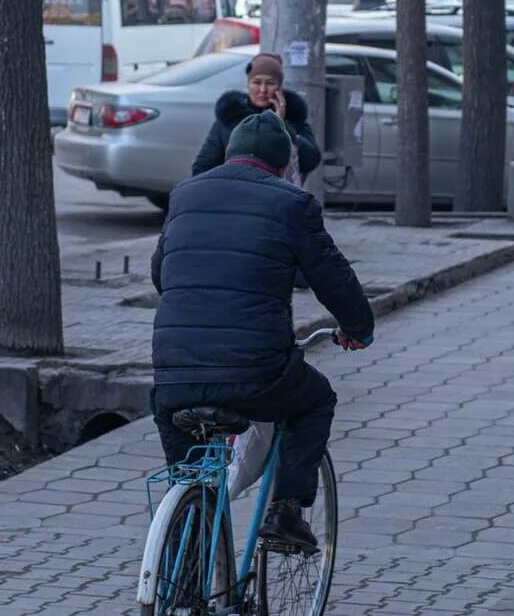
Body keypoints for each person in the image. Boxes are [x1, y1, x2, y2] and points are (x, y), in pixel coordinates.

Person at [150, 111, 373, 550]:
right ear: (280, 165)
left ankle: (182, 544)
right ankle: (286, 513)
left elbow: (161, 273)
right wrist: (357, 329)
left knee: (186, 465)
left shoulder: (185, 195)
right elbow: (333, 278)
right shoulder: (292, 203)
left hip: (174, 376)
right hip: (256, 373)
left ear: (229, 155)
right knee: (315, 399)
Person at [190, 51, 321, 179]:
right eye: (257, 82)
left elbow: (310, 161)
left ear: (279, 87)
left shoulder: (293, 116)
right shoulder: (231, 116)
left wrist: (279, 124)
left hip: (278, 195)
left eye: (270, 83)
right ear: (248, 84)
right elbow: (203, 167)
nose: (263, 90)